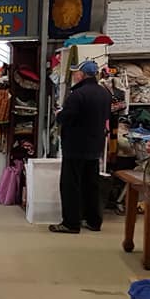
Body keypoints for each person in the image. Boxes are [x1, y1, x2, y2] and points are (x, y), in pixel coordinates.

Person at [49, 60, 111, 234]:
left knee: (71, 185)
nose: (75, 75)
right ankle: (93, 221)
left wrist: (59, 114)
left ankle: (70, 223)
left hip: (75, 146)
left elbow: (66, 118)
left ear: (82, 75)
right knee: (91, 184)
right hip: (95, 146)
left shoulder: (77, 95)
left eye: (76, 72)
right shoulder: (104, 93)